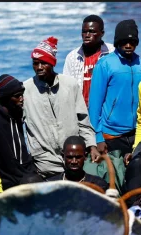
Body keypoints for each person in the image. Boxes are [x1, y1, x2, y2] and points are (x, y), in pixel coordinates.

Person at [23, 36, 100, 180]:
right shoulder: (26, 89)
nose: (39, 68)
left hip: (73, 158)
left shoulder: (70, 85)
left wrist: (91, 145)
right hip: (45, 161)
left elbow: (83, 120)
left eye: (43, 63)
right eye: (35, 63)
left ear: (52, 63)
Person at [88, 19, 141, 157]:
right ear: (117, 42)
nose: (128, 45)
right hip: (111, 136)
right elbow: (94, 105)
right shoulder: (105, 64)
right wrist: (98, 137)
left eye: (132, 42)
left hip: (137, 133)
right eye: (123, 42)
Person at [0, 74, 37, 190]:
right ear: (5, 98)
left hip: (24, 173)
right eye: (17, 96)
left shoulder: (16, 115)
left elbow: (20, 153)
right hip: (5, 180)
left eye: (22, 95)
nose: (22, 99)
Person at [63, 15, 115, 106]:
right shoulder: (72, 57)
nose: (87, 35)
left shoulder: (112, 53)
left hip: (105, 110)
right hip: (80, 111)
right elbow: (66, 88)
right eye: (84, 32)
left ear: (102, 33)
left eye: (92, 32)